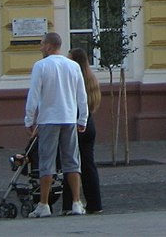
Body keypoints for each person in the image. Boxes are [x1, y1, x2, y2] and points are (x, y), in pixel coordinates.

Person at [24, 31, 88, 218]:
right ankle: (77, 202)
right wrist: (82, 118)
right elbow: (81, 95)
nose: (40, 47)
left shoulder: (41, 66)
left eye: (42, 44)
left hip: (48, 119)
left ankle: (44, 204)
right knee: (72, 162)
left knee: (47, 163)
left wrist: (29, 119)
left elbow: (33, 95)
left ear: (49, 46)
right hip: (69, 117)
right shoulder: (73, 66)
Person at [68, 47, 103, 213]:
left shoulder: (75, 78)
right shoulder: (91, 77)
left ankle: (70, 203)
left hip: (76, 122)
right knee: (89, 165)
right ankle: (95, 204)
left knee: (70, 164)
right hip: (89, 123)